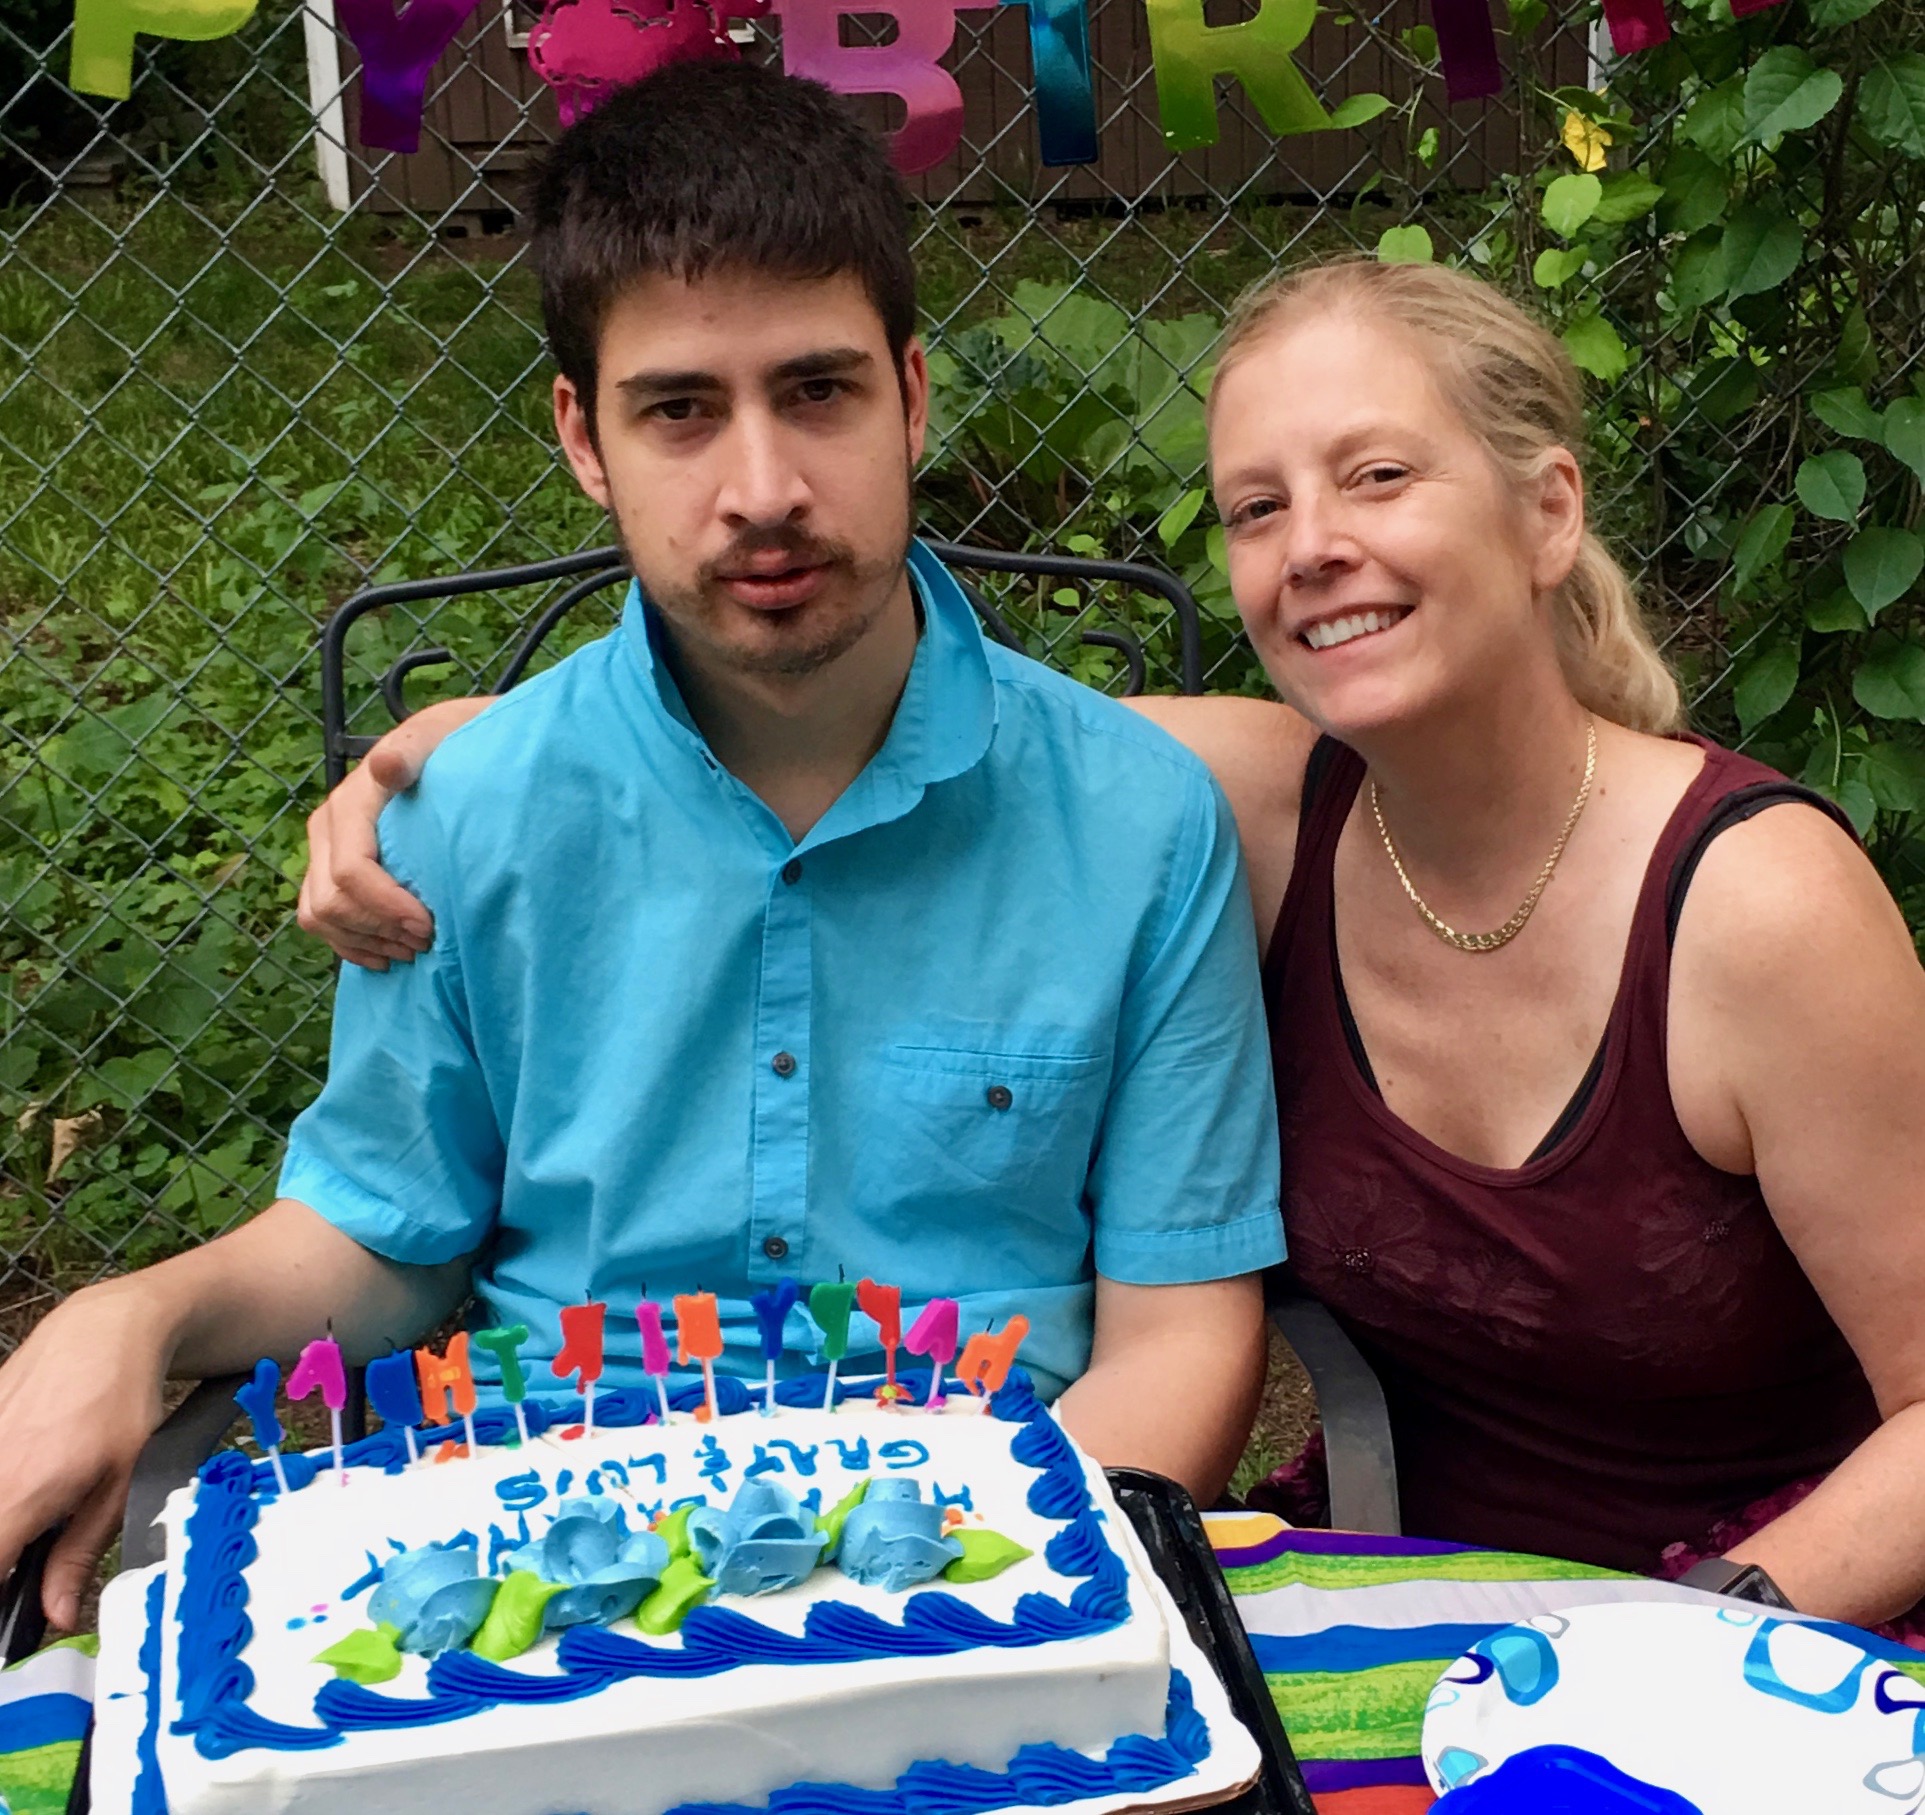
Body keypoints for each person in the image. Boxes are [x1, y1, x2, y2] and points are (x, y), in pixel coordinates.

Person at [307, 257, 1925, 1635]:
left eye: (1377, 477)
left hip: (1766, 1622)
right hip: (1398, 1603)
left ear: (1547, 510)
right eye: (1255, 507)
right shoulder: (1264, 804)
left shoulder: (1755, 907)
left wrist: (1700, 1631)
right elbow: (822, 729)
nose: (1311, 546)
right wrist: (450, 765)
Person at [0, 63, 1287, 1633]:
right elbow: (382, 1242)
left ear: (911, 397)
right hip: (555, 1593)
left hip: (989, 1582)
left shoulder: (1140, 827)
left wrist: (960, 1611)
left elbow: (1179, 1332)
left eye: (817, 393)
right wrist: (131, 1316)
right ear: (583, 437)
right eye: (679, 410)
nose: (763, 491)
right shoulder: (467, 814)